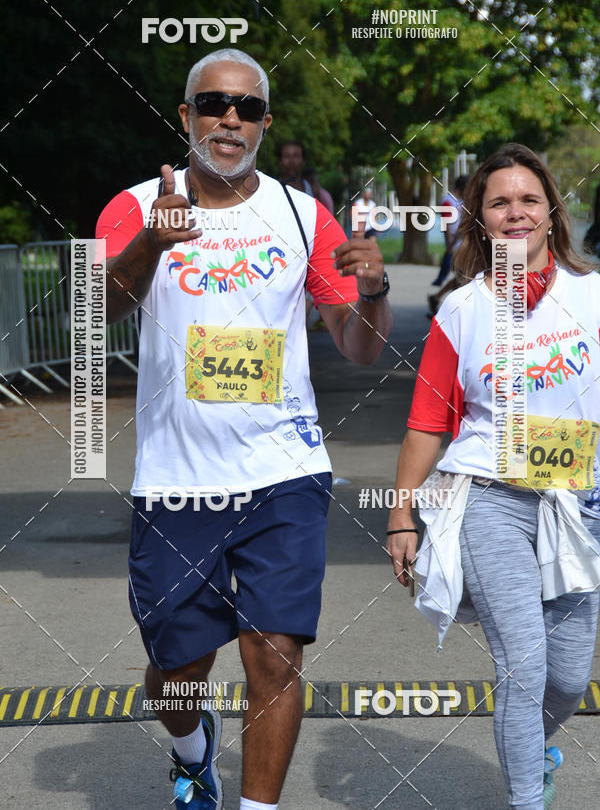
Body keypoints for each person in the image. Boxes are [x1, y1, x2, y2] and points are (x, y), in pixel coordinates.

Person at [96, 48, 392, 810]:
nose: (230, 119)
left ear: (266, 123)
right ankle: (193, 753)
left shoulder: (302, 214)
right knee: (177, 670)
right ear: (185, 114)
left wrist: (376, 289)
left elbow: (358, 345)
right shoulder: (133, 208)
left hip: (283, 470)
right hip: (176, 479)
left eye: (247, 108)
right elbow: (89, 318)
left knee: (276, 654)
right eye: (213, 105)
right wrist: (153, 245)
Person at [386, 143, 600, 810]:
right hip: (487, 499)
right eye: (500, 202)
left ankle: (527, 748)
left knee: (567, 677)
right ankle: (525, 798)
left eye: (529, 200)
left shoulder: (593, 296)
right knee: (524, 662)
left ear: (551, 212)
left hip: (580, 506)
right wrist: (400, 515)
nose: (516, 213)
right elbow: (428, 421)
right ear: (480, 219)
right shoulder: (462, 309)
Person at [431, 174, 469, 286]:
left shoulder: (460, 202)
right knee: (453, 261)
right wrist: (450, 242)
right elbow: (446, 223)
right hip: (453, 237)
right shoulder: (448, 201)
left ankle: (442, 279)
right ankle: (441, 279)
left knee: (457, 264)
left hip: (460, 236)